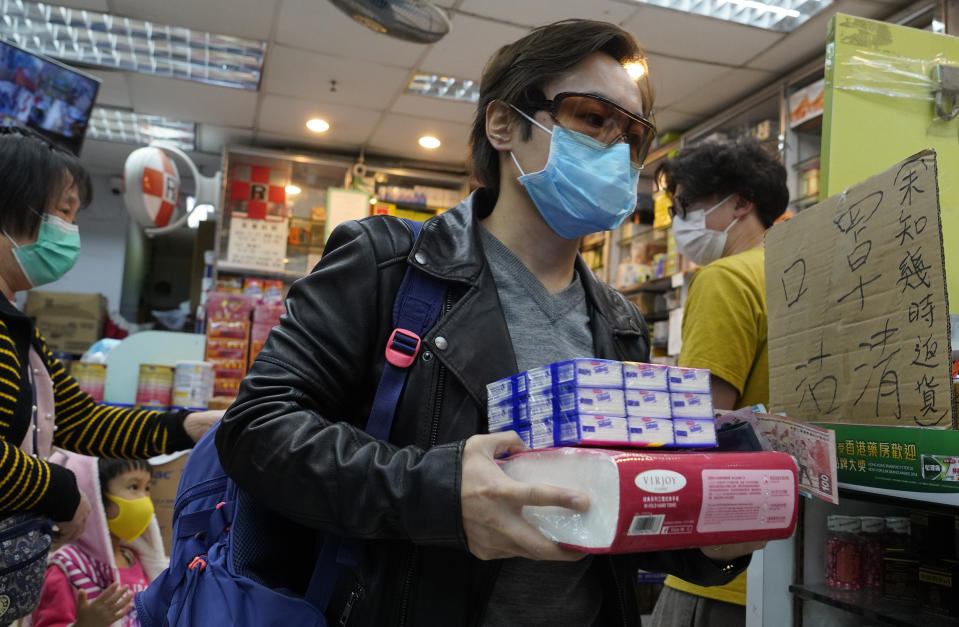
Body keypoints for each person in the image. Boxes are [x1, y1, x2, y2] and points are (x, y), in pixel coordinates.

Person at [216, 20, 762, 626]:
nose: (615, 149)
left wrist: (712, 539)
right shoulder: (392, 264)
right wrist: (440, 494)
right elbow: (257, 429)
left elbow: (615, 508)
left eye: (632, 135)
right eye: (592, 117)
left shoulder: (620, 322)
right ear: (504, 124)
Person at [0, 127, 219, 623]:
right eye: (65, 211)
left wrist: (186, 426)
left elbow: (83, 421)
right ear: (14, 208)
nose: (71, 230)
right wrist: (59, 491)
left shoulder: (15, 328)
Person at [649, 140, 789, 627]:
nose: (678, 221)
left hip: (721, 566)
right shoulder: (798, 276)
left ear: (740, 202)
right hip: (792, 561)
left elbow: (702, 423)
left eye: (686, 206)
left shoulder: (726, 279)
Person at [31, 452, 167, 627]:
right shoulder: (66, 568)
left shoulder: (139, 559)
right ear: (95, 496)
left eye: (147, 488)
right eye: (134, 487)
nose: (145, 500)